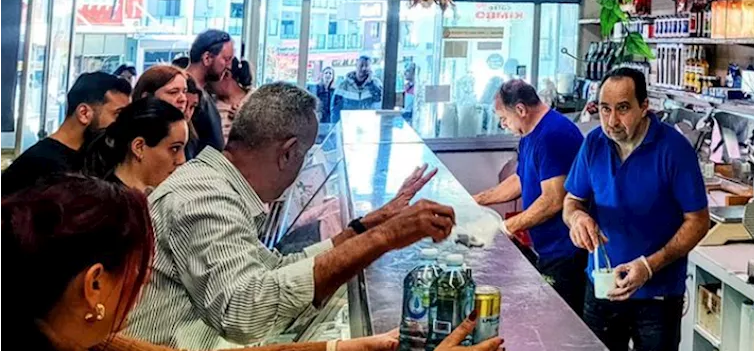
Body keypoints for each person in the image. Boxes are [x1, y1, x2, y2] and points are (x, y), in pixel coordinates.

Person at [126, 82, 461, 348]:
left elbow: (273, 270)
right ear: (286, 153)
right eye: (304, 156)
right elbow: (245, 313)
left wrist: (361, 229)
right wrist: (382, 239)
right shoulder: (202, 196)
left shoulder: (217, 185)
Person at [0, 174, 499, 351]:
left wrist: (355, 348)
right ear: (92, 287)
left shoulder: (79, 336)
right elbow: (246, 314)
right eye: (139, 270)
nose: (144, 285)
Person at [563, 67, 710, 351]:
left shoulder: (674, 149)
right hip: (602, 285)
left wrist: (648, 266)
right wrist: (577, 218)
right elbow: (572, 201)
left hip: (657, 295)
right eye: (605, 109)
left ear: (644, 107)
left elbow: (698, 221)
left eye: (623, 109)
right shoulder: (594, 143)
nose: (612, 121)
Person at [473, 79, 587, 314]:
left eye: (504, 119)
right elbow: (521, 179)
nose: (503, 125)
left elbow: (553, 200)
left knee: (560, 320)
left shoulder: (553, 135)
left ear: (521, 110)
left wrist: (505, 227)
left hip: (566, 251)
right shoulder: (529, 134)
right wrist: (478, 200)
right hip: (546, 248)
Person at [0, 72, 131, 197]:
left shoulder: (89, 156)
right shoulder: (42, 165)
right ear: (84, 113)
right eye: (118, 114)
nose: (123, 124)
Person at [83, 98, 188, 192]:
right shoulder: (107, 204)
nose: (182, 160)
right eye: (175, 148)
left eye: (183, 149)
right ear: (139, 147)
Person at [184, 29, 233, 157]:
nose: (229, 66)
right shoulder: (187, 94)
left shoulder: (204, 94)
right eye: (226, 59)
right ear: (207, 58)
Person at [211, 57, 253, 137]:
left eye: (211, 77)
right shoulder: (210, 105)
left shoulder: (257, 98)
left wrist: (245, 119)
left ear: (226, 75)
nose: (208, 82)